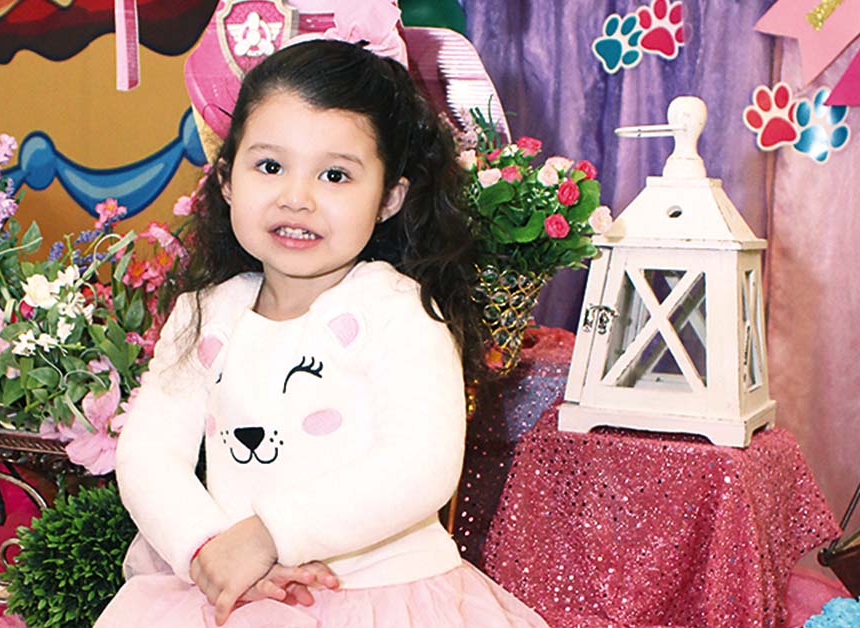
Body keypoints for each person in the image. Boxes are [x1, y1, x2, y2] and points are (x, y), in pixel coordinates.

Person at [97, 36, 548, 628]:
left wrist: (269, 535)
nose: (297, 198)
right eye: (270, 166)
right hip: (235, 594)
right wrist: (209, 550)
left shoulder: (399, 311)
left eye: (335, 175)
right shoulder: (205, 314)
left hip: (387, 598)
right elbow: (149, 452)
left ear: (389, 198)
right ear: (227, 180)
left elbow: (422, 464)